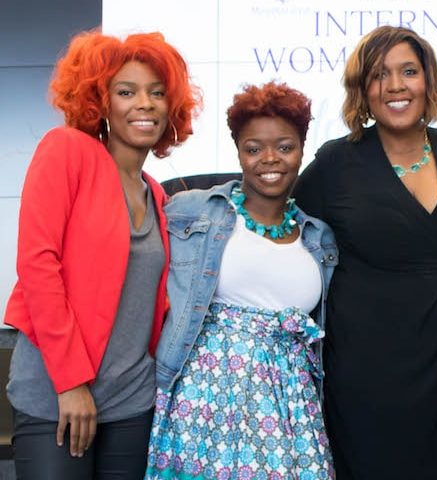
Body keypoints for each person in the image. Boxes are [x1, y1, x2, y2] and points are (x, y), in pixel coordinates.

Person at [293, 25, 437, 480]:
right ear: (362, 90)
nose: (396, 86)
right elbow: (282, 231)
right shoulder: (336, 163)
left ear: (428, 80)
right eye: (379, 75)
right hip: (365, 374)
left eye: (409, 71)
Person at [3, 30, 199, 478]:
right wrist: (71, 383)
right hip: (55, 395)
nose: (144, 104)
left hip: (132, 403)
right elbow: (37, 266)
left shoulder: (158, 196)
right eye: (126, 92)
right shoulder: (67, 151)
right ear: (101, 101)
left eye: (157, 93)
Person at [145, 81, 336, 479]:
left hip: (291, 406)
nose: (270, 159)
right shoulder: (192, 210)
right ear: (238, 151)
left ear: (302, 149)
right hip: (205, 399)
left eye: (285, 147)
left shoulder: (319, 238)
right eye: (254, 148)